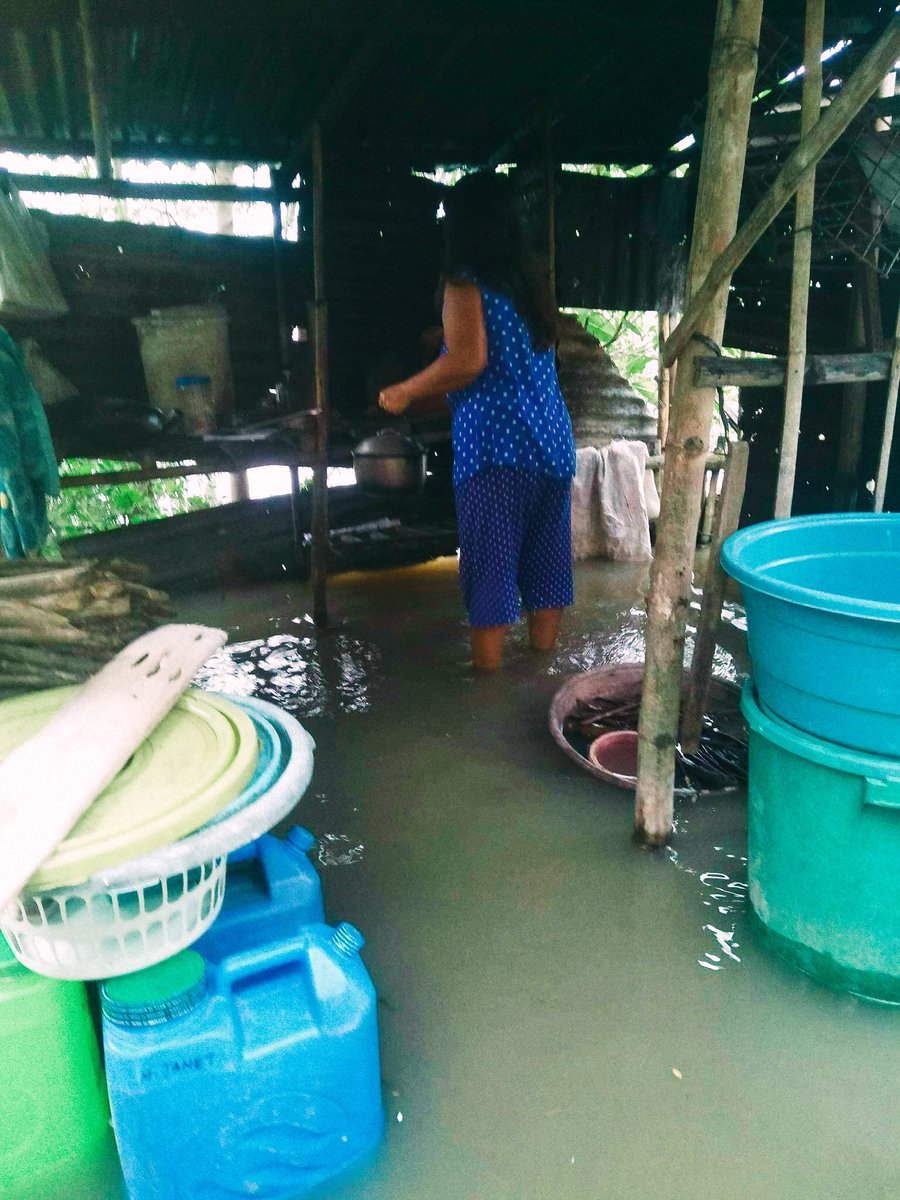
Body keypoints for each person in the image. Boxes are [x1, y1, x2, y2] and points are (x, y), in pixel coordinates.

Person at [378, 171, 576, 671]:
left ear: (462, 225)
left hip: (496, 450)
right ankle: (538, 676)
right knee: (546, 565)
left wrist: (403, 391)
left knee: (490, 570)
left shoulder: (465, 281)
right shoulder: (531, 283)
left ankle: (488, 693)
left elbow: (468, 361)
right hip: (551, 445)